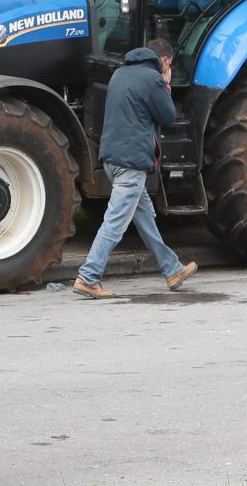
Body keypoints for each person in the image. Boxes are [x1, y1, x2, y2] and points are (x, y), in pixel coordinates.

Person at [74, 38, 199, 299]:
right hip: (131, 163)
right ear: (164, 61)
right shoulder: (152, 79)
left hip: (112, 159)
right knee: (115, 222)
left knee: (145, 218)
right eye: (170, 64)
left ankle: (172, 269)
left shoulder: (119, 74)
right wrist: (166, 83)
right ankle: (88, 276)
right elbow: (167, 116)